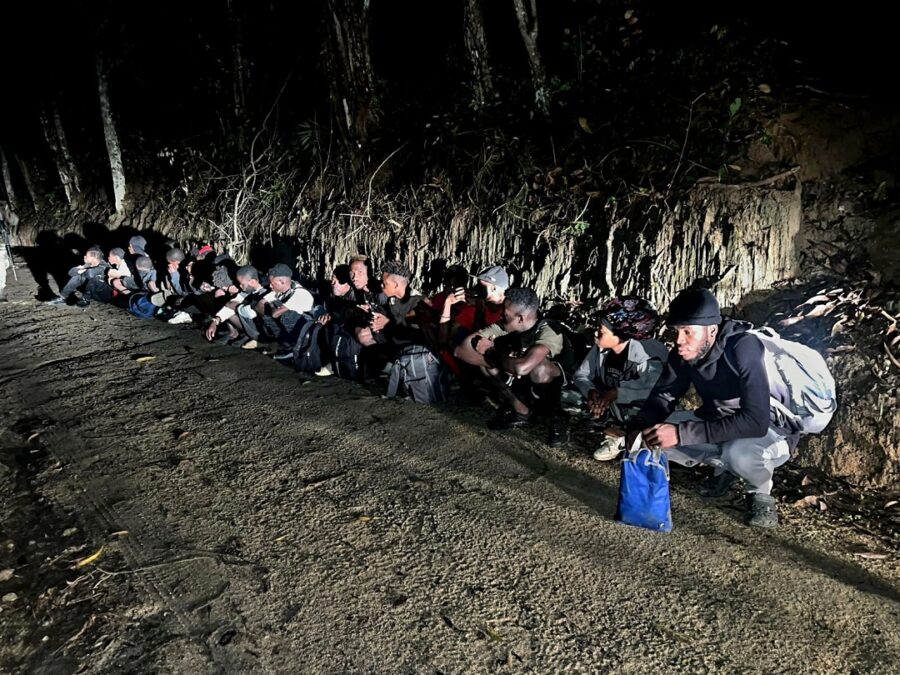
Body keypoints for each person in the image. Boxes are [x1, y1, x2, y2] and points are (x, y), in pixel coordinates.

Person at [626, 287, 795, 528]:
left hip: (771, 430)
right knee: (653, 434)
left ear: (712, 330)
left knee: (738, 453)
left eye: (688, 332)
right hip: (719, 420)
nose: (679, 340)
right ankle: (725, 470)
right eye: (677, 331)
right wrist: (639, 425)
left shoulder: (744, 346)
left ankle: (760, 492)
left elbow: (755, 422)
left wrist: (681, 434)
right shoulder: (684, 352)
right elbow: (664, 395)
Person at [455, 287, 573, 446]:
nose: (500, 316)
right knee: (487, 363)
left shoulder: (549, 330)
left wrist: (491, 352)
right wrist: (494, 360)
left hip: (563, 389)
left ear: (521, 318)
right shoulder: (505, 326)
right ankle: (520, 410)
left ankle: (558, 416)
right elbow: (461, 350)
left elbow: (522, 368)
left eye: (505, 314)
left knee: (539, 369)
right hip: (526, 382)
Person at [571, 297, 667, 461]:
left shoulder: (648, 354)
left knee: (644, 409)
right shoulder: (601, 348)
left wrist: (617, 393)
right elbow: (581, 375)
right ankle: (612, 429)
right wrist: (591, 391)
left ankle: (625, 436)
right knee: (568, 394)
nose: (595, 333)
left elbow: (656, 392)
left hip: (635, 406)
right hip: (611, 404)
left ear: (621, 334)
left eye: (601, 331)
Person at [46, 248, 111, 306]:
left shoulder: (104, 265)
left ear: (94, 258)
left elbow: (90, 274)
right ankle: (63, 297)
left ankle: (85, 299)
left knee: (92, 277)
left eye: (87, 256)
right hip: (94, 293)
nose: (84, 257)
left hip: (104, 296)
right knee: (78, 276)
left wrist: (80, 270)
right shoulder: (89, 264)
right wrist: (79, 270)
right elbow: (71, 273)